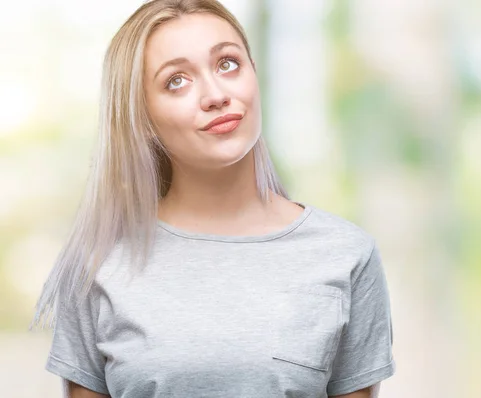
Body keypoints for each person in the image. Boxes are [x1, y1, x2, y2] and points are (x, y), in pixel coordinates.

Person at [30, 1, 396, 397]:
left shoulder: (345, 254)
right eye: (176, 81)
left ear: (255, 74)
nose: (215, 95)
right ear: (143, 118)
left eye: (227, 64)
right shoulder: (97, 264)